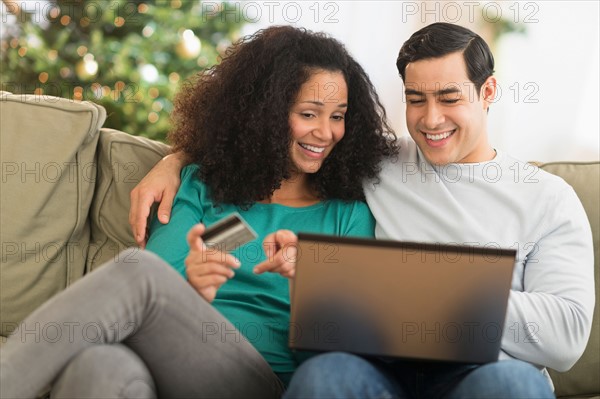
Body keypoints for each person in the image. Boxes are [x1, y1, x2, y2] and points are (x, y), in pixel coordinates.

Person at [129, 22, 595, 398]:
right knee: (326, 378)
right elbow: (270, 139)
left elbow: (567, 336)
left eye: (450, 98)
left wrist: (436, 289)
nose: (431, 120)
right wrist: (177, 160)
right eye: (417, 100)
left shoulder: (547, 198)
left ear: (488, 91)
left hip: (483, 372)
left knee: (510, 385)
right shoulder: (377, 162)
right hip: (378, 371)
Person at [0, 26, 397, 399]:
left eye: (338, 116)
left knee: (137, 269)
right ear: (266, 114)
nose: (326, 133)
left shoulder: (346, 216)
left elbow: (339, 361)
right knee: (100, 364)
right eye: (308, 114)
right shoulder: (208, 189)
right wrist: (193, 287)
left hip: (263, 382)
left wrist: (309, 286)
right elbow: (149, 296)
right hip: (174, 367)